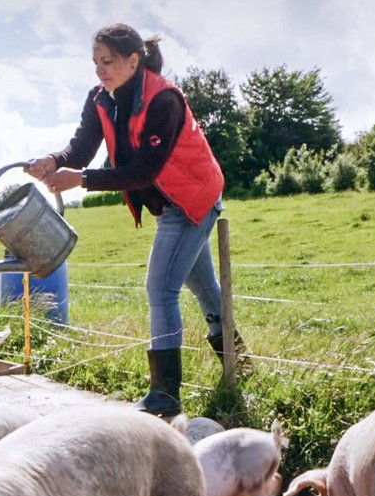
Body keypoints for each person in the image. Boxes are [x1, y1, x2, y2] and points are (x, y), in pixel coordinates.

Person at [25, 22, 247, 418]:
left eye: (107, 62)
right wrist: (54, 161)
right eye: (95, 63)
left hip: (191, 199)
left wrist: (83, 181)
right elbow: (81, 147)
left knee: (161, 288)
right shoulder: (100, 98)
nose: (100, 71)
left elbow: (146, 169)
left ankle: (165, 395)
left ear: (133, 61)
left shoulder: (164, 102)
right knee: (203, 286)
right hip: (168, 203)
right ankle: (240, 365)